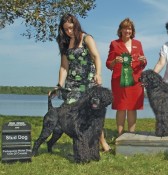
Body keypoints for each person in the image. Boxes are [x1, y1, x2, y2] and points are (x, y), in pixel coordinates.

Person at [55, 14, 111, 152]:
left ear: (76, 25)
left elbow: (96, 56)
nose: (69, 31)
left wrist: (98, 73)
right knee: (74, 114)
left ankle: (102, 143)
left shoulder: (87, 38)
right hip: (73, 84)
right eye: (65, 29)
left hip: (89, 83)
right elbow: (64, 67)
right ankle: (80, 144)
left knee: (94, 115)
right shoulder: (65, 42)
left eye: (71, 28)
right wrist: (59, 85)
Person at [106, 18, 147, 136]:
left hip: (136, 80)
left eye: (129, 28)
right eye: (125, 28)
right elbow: (108, 64)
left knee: (133, 107)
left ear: (132, 31)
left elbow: (143, 62)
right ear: (120, 30)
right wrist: (114, 61)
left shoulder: (138, 44)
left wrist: (143, 60)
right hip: (119, 80)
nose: (127, 31)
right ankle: (120, 135)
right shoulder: (114, 44)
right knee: (121, 107)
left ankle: (131, 135)